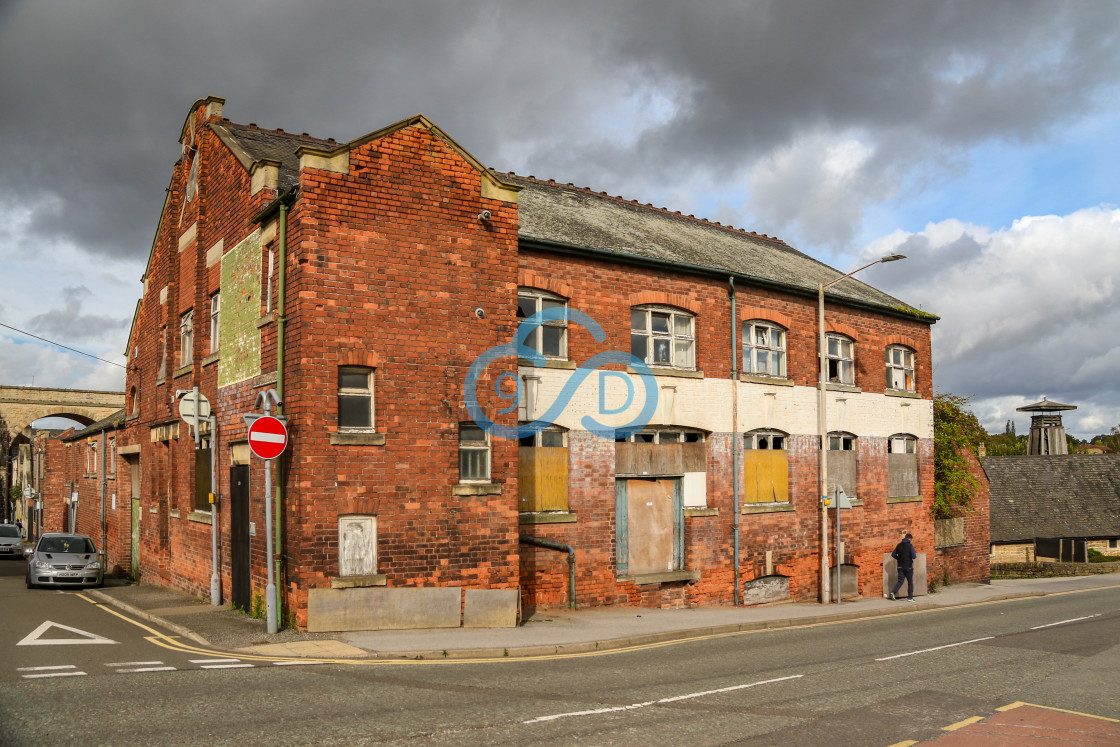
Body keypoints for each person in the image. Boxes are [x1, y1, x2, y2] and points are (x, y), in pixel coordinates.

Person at [889, 532, 917, 602]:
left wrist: (898, 558)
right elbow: (914, 556)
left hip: (900, 567)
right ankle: (910, 597)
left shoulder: (899, 545)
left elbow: (893, 554)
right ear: (910, 539)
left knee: (900, 581)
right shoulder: (910, 546)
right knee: (910, 582)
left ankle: (893, 593)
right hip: (908, 567)